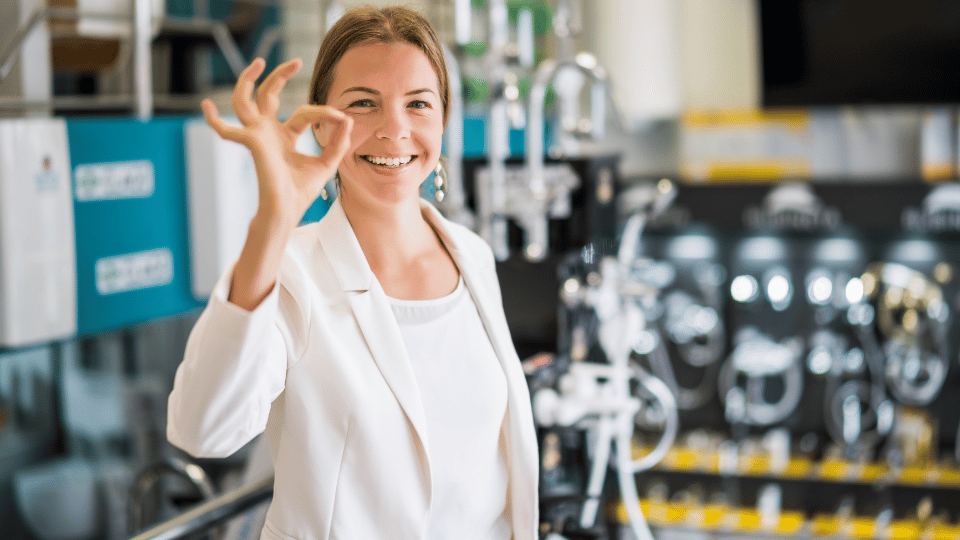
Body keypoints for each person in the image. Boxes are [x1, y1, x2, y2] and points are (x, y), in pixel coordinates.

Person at [166, 6, 539, 540]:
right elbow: (204, 429)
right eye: (364, 104)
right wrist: (275, 217)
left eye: (418, 104)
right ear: (320, 123)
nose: (395, 130)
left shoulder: (471, 256)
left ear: (442, 120)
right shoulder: (291, 273)